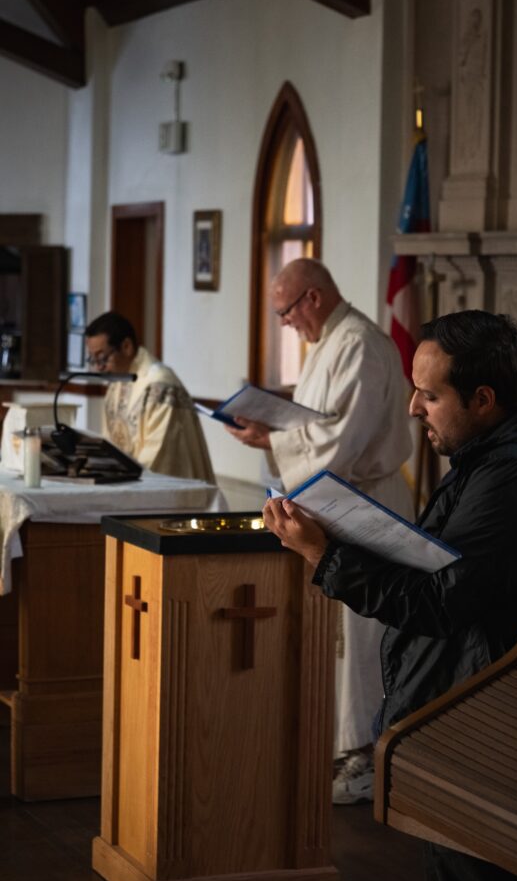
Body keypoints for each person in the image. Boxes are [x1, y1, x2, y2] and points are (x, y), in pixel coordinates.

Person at [263, 309, 517, 881]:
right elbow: (445, 574)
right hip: (483, 713)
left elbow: (441, 601)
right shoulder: (496, 458)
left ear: (483, 399)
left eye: (429, 394)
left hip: (501, 726)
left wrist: (325, 555)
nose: (412, 409)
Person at [225, 258, 413, 804]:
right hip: (337, 503)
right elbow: (316, 425)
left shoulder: (359, 344)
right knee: (339, 637)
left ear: (312, 297)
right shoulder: (330, 343)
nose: (285, 322)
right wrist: (273, 432)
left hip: (366, 503)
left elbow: (341, 443)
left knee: (360, 637)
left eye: (286, 311)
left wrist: (275, 441)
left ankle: (365, 760)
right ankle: (338, 747)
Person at [84, 311, 216, 484]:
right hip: (126, 484)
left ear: (126, 346)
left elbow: (160, 454)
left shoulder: (160, 385)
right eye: (93, 360)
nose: (99, 368)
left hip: (168, 490)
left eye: (102, 358)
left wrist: (121, 479)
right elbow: (110, 443)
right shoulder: (117, 383)